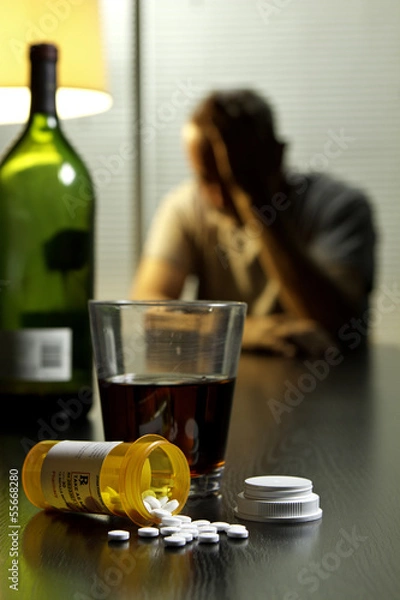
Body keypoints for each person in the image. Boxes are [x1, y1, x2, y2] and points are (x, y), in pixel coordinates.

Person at [131, 89, 376, 357]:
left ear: (279, 155)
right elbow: (147, 312)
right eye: (206, 178)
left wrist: (256, 203)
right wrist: (245, 331)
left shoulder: (339, 206)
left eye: (233, 179)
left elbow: (339, 326)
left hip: (332, 388)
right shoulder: (185, 206)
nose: (221, 197)